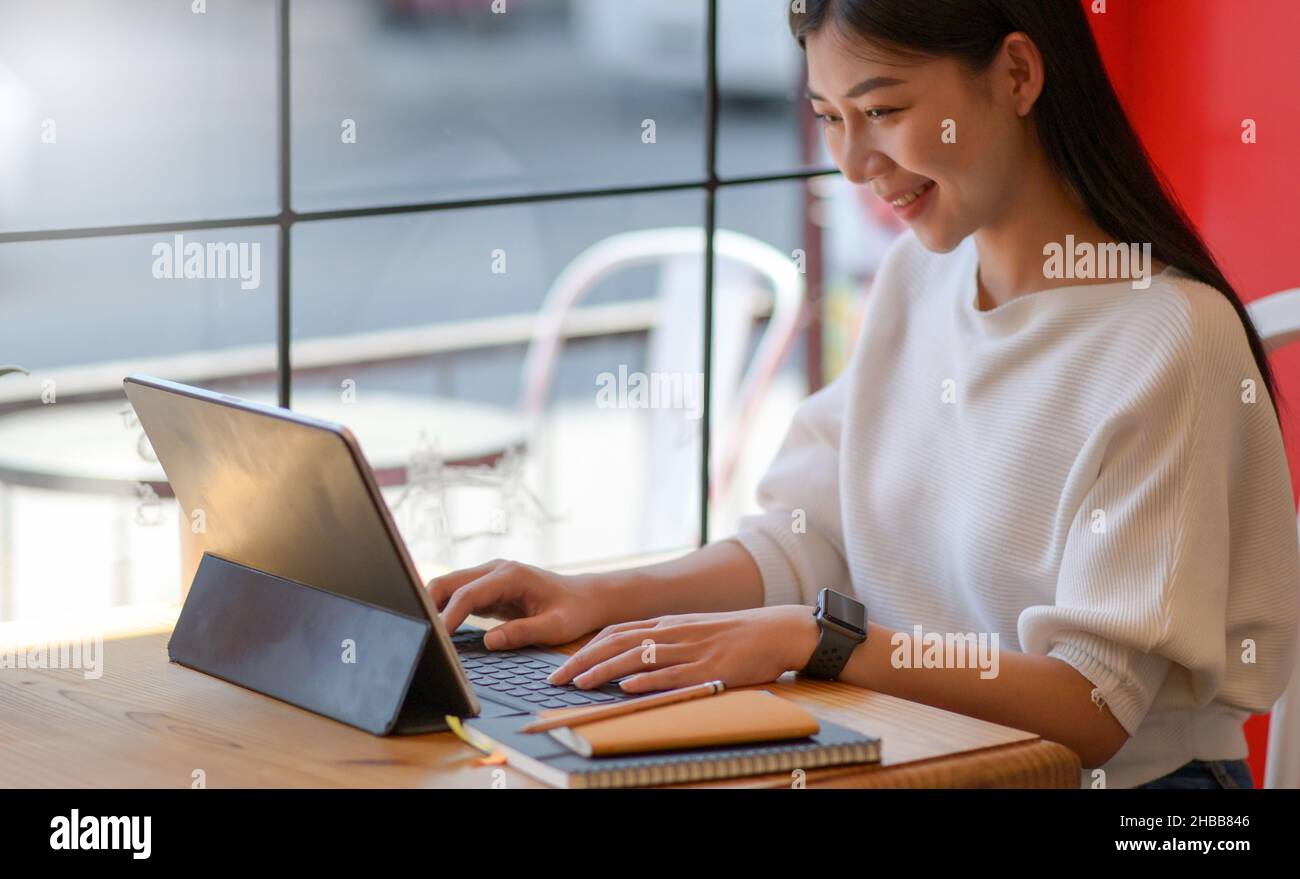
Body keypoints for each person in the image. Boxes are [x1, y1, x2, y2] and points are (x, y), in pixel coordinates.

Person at [429, 0, 1299, 789]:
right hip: (924, 756)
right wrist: (599, 596)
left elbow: (1094, 707)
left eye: (883, 110)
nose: (851, 161)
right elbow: (808, 539)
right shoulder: (915, 279)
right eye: (828, 118)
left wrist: (820, 641)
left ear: (1018, 73)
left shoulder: (1168, 337)